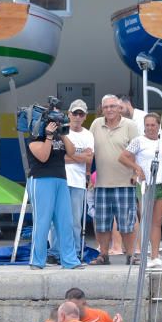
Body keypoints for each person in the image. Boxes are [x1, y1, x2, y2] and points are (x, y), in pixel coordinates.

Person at [25, 118, 83, 270]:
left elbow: (72, 152)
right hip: (41, 179)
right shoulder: (34, 138)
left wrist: (62, 134)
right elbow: (43, 157)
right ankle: (37, 261)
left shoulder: (59, 137)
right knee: (42, 222)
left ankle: (69, 260)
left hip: (61, 179)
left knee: (66, 222)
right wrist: (49, 137)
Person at [88, 94, 139, 266]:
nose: (109, 109)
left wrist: (135, 173)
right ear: (102, 109)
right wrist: (88, 174)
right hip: (101, 183)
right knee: (102, 223)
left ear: (119, 108)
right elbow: (90, 151)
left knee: (127, 223)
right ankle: (103, 254)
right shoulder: (96, 124)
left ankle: (131, 255)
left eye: (112, 106)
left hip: (125, 183)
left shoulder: (130, 126)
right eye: (106, 107)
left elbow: (138, 151)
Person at [120, 111, 162, 268]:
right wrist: (137, 169)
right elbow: (123, 157)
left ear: (159, 126)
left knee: (157, 222)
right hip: (146, 185)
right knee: (146, 221)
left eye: (153, 125)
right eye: (147, 125)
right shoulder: (138, 141)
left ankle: (155, 256)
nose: (150, 128)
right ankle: (144, 255)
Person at [54, 99, 94, 264]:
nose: (77, 117)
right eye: (75, 113)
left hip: (77, 182)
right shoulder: (61, 131)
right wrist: (79, 157)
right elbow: (57, 158)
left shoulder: (88, 134)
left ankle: (76, 251)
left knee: (75, 220)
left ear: (85, 116)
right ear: (68, 114)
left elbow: (89, 157)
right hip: (59, 179)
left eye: (81, 114)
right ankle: (56, 252)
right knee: (56, 219)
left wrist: (70, 157)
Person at [64, 287, 159, 322]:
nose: (71, 310)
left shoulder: (99, 315)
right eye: (69, 306)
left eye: (75, 306)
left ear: (84, 303)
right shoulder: (63, 321)